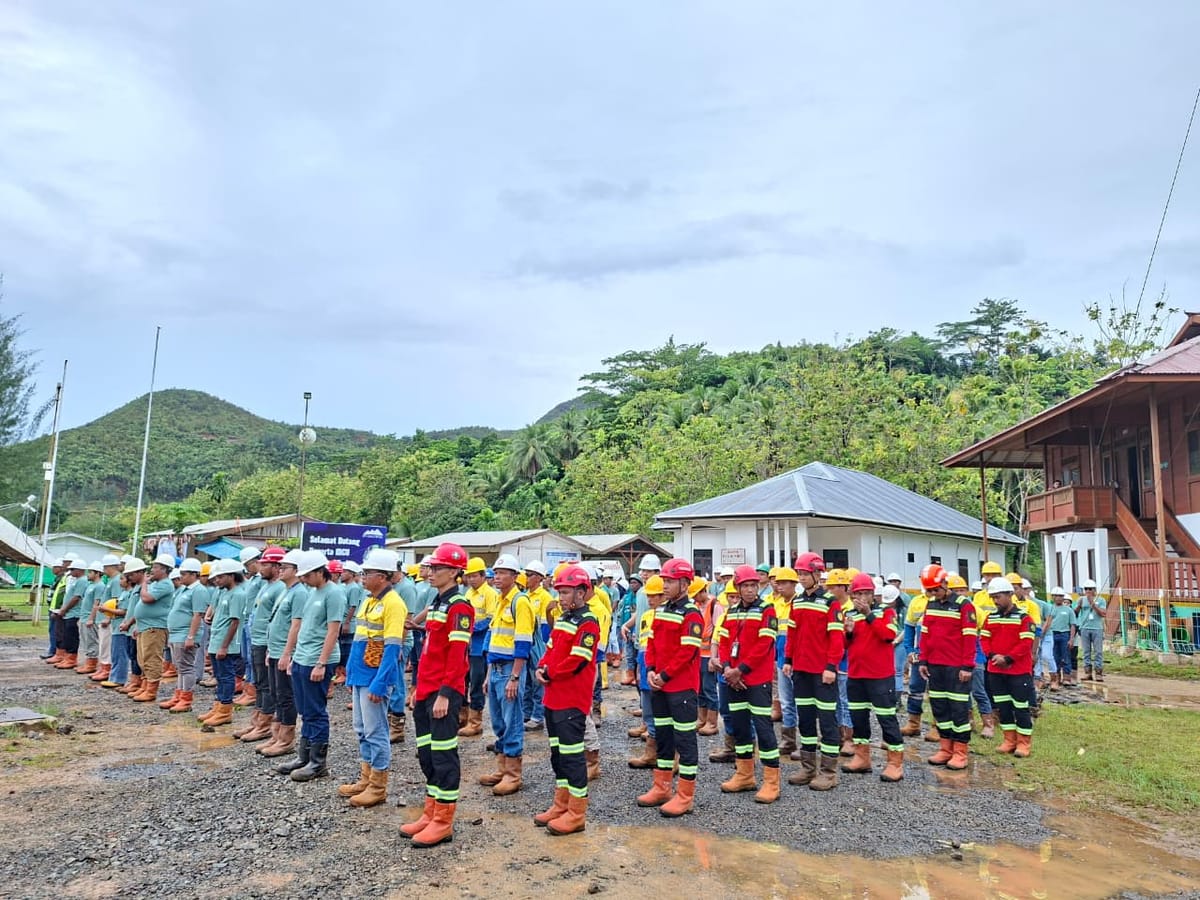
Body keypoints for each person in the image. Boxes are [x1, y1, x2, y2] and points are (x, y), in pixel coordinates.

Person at [400, 541, 473, 848]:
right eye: (430, 567)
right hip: (427, 689)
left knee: (444, 756)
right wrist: (418, 686)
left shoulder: (459, 606)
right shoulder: (438, 602)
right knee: (427, 754)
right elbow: (429, 650)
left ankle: (443, 821)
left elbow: (457, 655)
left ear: (455, 572)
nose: (430, 572)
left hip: (444, 692)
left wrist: (445, 694)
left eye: (438, 568)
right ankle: (430, 812)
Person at [532, 564, 601, 835]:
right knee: (558, 754)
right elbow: (550, 649)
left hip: (572, 698)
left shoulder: (588, 622)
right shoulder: (564, 619)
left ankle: (576, 812)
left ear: (582, 592)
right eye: (559, 591)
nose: (561, 597)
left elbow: (578, 660)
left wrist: (549, 671)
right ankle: (560, 804)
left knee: (573, 757)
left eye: (566, 592)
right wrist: (541, 666)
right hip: (553, 697)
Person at [337, 548, 406, 808]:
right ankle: (366, 778)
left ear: (385, 576)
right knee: (361, 729)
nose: (363, 577)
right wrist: (351, 675)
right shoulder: (370, 600)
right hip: (360, 674)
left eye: (368, 573)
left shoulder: (394, 604)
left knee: (376, 730)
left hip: (374, 677)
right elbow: (361, 641)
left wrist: (380, 682)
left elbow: (392, 649)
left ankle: (378, 786)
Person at [636, 557, 703, 818]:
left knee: (685, 741)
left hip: (681, 687)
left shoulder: (692, 613)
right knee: (663, 737)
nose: (665, 585)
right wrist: (651, 669)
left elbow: (687, 651)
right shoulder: (662, 611)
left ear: (685, 584)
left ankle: (685, 795)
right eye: (664, 580)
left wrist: (664, 675)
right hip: (660, 684)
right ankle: (662, 787)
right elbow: (650, 641)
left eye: (670, 580)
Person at [276, 551, 346, 782]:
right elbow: (304, 627)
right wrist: (294, 656)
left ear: (320, 572)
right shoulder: (312, 593)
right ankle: (303, 756)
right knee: (304, 709)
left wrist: (321, 663)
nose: (303, 580)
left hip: (318, 659)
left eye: (307, 575)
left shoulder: (334, 594)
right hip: (303, 658)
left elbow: (333, 631)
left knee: (316, 710)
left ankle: (318, 762)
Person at [715, 564, 781, 803]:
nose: (751, 590)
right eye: (746, 586)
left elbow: (765, 645)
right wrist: (726, 668)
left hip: (756, 680)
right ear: (738, 587)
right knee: (740, 727)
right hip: (734, 680)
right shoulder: (731, 612)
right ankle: (744, 775)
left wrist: (740, 670)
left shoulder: (768, 609)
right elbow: (723, 642)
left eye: (754, 585)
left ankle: (771, 781)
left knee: (763, 729)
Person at [783, 552, 843, 791]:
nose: (801, 577)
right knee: (806, 719)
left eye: (805, 574)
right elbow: (792, 634)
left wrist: (831, 667)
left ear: (817, 574)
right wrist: (788, 659)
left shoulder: (831, 602)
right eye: (799, 573)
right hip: (801, 670)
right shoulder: (796, 601)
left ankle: (828, 772)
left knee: (827, 721)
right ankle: (808, 768)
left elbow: (836, 638)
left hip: (823, 672)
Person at [479, 554, 534, 796]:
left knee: (512, 721)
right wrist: (488, 675)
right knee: (499, 721)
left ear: (514, 576)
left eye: (502, 573)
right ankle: (502, 768)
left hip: (511, 670)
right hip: (497, 669)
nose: (497, 577)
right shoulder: (501, 601)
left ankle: (513, 774)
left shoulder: (520, 602)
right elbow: (495, 640)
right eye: (496, 573)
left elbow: (523, 642)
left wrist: (514, 677)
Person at [842, 573, 904, 782]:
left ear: (873, 594)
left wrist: (869, 614)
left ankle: (895, 763)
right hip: (856, 674)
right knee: (859, 718)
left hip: (880, 675)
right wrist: (848, 633)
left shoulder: (886, 612)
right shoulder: (849, 614)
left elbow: (888, 635)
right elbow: (845, 646)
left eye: (867, 593)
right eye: (858, 594)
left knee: (886, 718)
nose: (862, 598)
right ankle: (862, 757)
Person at [916, 564, 976, 771]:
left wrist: (967, 666)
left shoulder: (963, 605)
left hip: (957, 667)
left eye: (935, 590)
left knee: (958, 709)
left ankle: (960, 751)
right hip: (935, 666)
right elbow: (925, 635)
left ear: (944, 583)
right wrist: (922, 660)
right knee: (940, 708)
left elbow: (970, 637)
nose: (933, 594)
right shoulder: (930, 605)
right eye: (929, 591)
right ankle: (945, 747)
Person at [979, 577, 1036, 757]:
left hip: (1018, 671)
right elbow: (984, 639)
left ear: (1010, 595)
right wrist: (992, 656)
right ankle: (1009, 740)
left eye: (999, 597)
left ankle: (1023, 743)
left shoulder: (1024, 618)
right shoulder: (991, 617)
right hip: (996, 670)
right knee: (1003, 707)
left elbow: (1026, 642)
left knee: (1020, 707)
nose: (996, 601)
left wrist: (1008, 658)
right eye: (993, 597)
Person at [259, 549, 307, 758]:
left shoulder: (300, 593)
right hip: (276, 649)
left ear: (296, 570)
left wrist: (287, 653)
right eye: (279, 566)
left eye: (284, 567)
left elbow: (296, 625)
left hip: (285, 652)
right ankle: (276, 733)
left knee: (286, 696)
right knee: (276, 693)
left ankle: (286, 738)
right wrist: (272, 649)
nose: (280, 570)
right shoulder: (286, 590)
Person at [236, 547, 286, 741]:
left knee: (266, 684)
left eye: (265, 564)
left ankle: (264, 724)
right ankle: (257, 721)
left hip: (266, 641)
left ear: (275, 566)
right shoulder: (265, 584)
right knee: (259, 681)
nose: (260, 567)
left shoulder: (279, 587)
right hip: (256, 638)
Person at [199, 558, 249, 728]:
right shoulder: (223, 592)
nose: (216, 580)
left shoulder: (238, 594)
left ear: (231, 576)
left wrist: (224, 646)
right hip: (216, 639)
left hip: (225, 644)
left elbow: (235, 622)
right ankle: (217, 706)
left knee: (226, 676)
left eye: (220, 577)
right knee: (219, 676)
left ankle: (225, 710)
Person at [627, 575, 665, 768]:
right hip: (646, 662)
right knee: (648, 706)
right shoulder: (647, 616)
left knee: (661, 711)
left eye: (655, 596)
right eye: (649, 596)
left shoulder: (667, 615)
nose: (651, 600)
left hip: (659, 668)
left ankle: (665, 752)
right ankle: (651, 751)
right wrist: (641, 667)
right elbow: (644, 644)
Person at [459, 557, 499, 738]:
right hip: (466, 645)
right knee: (463, 681)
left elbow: (490, 619)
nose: (471, 579)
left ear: (483, 575)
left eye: (474, 576)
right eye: (469, 576)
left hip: (479, 646)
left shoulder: (490, 594)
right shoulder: (468, 594)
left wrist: (470, 628)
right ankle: (462, 717)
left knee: (476, 683)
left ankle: (475, 722)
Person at [161, 558, 205, 713]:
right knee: (180, 667)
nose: (181, 577)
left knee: (186, 667)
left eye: (184, 574)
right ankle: (178, 695)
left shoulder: (199, 590)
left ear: (194, 574)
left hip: (185, 634)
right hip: (176, 634)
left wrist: (191, 637)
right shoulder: (182, 590)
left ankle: (186, 699)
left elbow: (197, 614)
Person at [522, 560, 554, 731]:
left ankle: (537, 716)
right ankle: (526, 713)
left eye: (530, 575)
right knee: (526, 681)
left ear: (540, 578)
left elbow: (546, 625)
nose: (526, 578)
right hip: (527, 641)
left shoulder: (545, 597)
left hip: (539, 643)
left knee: (537, 680)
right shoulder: (525, 595)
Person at [51, 557, 88, 671]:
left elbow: (76, 598)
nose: (70, 572)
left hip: (74, 613)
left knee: (71, 637)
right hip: (69, 613)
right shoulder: (76, 580)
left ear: (79, 570)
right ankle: (67, 657)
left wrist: (64, 609)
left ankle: (71, 658)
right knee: (66, 636)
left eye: (73, 570)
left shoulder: (82, 581)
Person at [74, 561, 104, 675]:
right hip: (83, 616)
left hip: (89, 618)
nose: (88, 574)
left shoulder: (100, 586)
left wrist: (91, 618)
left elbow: (96, 603)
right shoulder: (90, 585)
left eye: (90, 572)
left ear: (97, 573)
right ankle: (88, 661)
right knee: (85, 640)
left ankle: (92, 663)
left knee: (91, 640)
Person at [1075, 579, 1106, 681]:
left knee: (1098, 651)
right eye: (1086, 589)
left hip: (1097, 628)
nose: (1088, 591)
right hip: (1084, 628)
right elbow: (1075, 613)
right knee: (1086, 651)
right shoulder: (1081, 599)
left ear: (1094, 590)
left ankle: (1098, 672)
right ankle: (1087, 672)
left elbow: (1103, 613)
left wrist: (1093, 604)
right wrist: (1078, 605)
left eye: (1090, 589)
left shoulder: (1101, 600)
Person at [1048, 587, 1078, 689]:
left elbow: (1073, 625)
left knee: (1066, 656)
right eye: (1057, 596)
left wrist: (1071, 639)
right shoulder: (1050, 609)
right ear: (1053, 597)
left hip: (1065, 634)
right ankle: (1056, 677)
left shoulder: (1069, 610)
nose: (1059, 598)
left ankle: (1067, 677)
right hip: (1052, 634)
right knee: (1054, 657)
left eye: (1061, 596)